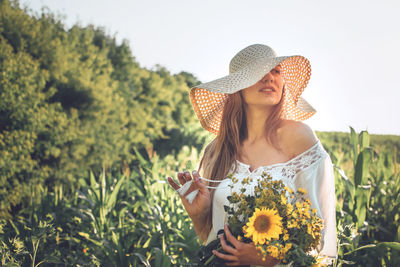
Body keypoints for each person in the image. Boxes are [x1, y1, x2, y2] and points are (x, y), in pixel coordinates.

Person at [167, 44, 337, 266]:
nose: (269, 77)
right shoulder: (217, 151)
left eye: (276, 71)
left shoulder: (299, 137)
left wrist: (270, 259)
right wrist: (199, 216)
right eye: (259, 72)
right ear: (237, 87)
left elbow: (319, 233)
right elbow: (214, 245)